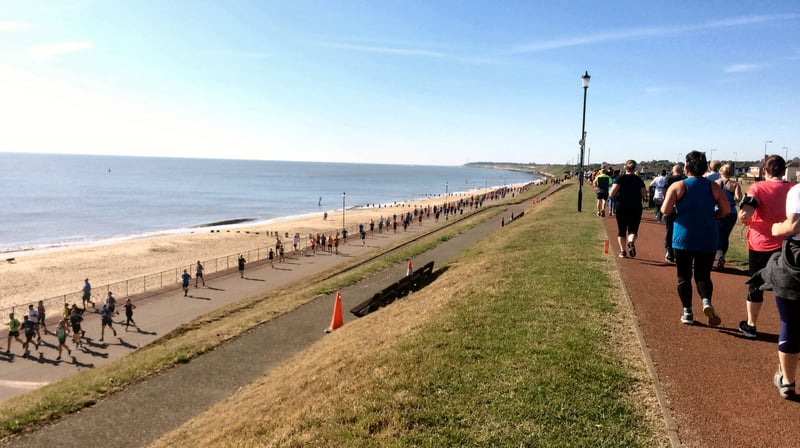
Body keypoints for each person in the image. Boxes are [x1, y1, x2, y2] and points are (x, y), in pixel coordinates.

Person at [661, 150, 729, 326]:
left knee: (683, 275)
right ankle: (706, 301)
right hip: (708, 236)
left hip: (683, 237)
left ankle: (687, 312)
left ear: (687, 167)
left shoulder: (678, 186)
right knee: (703, 275)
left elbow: (665, 210)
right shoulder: (713, 186)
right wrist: (714, 216)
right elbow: (726, 210)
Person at [738, 155, 793, 338]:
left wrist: (742, 213)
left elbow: (745, 215)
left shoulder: (757, 188)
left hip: (760, 243)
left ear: (765, 170)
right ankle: (790, 330)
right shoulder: (793, 189)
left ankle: (751, 324)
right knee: (789, 288)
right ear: (783, 170)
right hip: (787, 243)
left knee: (756, 286)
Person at [759, 183, 800, 398]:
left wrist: (776, 228)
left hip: (796, 259)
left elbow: (793, 225)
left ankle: (787, 380)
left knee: (790, 321)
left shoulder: (797, 191)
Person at [608, 160, 647, 258]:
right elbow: (644, 195)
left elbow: (612, 193)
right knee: (633, 229)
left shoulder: (620, 178)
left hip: (621, 205)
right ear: (635, 168)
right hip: (635, 206)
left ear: (625, 167)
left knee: (622, 230)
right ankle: (631, 242)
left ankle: (622, 251)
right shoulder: (639, 180)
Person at [714, 163, 742, 270]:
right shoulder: (735, 184)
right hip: (731, 211)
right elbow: (739, 198)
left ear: (721, 171)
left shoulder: (716, 183)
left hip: (718, 210)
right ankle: (722, 255)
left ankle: (718, 255)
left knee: (718, 234)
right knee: (725, 235)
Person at [663, 164, 686, 262]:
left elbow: (665, 191)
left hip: (671, 206)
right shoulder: (685, 178)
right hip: (683, 208)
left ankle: (669, 251)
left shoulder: (669, 179)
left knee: (669, 229)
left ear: (673, 170)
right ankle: (680, 251)